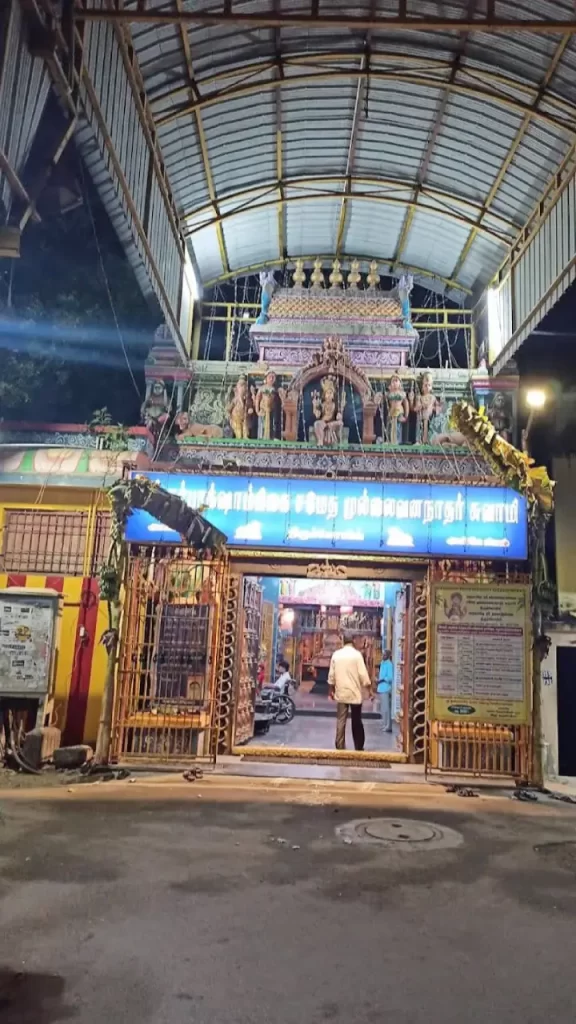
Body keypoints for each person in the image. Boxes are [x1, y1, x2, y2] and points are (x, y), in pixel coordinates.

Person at [328, 632, 374, 751]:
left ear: (343, 641)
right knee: (356, 720)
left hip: (341, 693)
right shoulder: (357, 655)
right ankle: (358, 746)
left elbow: (331, 676)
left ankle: (339, 745)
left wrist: (331, 691)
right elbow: (363, 675)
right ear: (353, 641)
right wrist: (370, 690)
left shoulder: (336, 655)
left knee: (341, 720)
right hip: (354, 694)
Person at [377, 650, 394, 733]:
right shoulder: (382, 663)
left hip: (386, 688)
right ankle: (384, 724)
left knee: (387, 708)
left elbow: (390, 677)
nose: (383, 656)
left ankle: (388, 726)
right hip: (381, 688)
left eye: (384, 655)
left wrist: (383, 680)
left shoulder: (389, 664)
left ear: (388, 655)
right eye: (382, 654)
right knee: (383, 708)